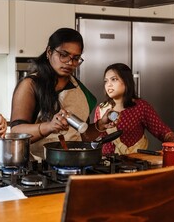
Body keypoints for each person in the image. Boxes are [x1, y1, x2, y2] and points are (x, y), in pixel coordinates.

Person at [10, 28, 114, 159]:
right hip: (40, 167)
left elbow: (82, 134)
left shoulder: (79, 89)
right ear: (49, 52)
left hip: (75, 163)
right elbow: (15, 132)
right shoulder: (30, 85)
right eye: (63, 55)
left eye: (76, 58)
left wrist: (99, 126)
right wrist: (49, 127)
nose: (70, 63)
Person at [94, 63, 174, 155]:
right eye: (106, 81)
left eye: (114, 79)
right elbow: (95, 140)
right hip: (106, 165)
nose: (108, 84)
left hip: (135, 163)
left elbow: (162, 131)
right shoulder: (101, 109)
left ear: (127, 81)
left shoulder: (141, 107)